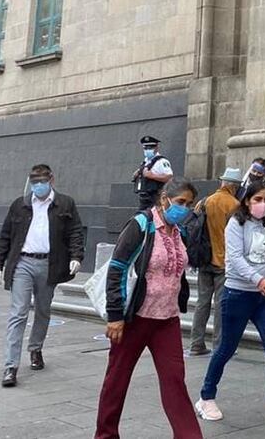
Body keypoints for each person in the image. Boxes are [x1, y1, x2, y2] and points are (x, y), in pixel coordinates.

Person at [95, 178, 202, 439]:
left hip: (167, 319)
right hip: (134, 319)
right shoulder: (141, 225)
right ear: (165, 198)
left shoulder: (179, 231)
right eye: (180, 202)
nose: (184, 208)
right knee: (117, 380)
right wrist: (116, 316)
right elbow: (117, 269)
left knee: (175, 379)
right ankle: (106, 434)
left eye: (189, 204)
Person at [194, 181, 265, 428]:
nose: (263, 205)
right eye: (258, 200)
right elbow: (233, 258)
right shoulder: (236, 223)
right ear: (247, 201)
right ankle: (206, 396)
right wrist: (258, 279)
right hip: (238, 293)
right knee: (226, 347)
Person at [0, 164, 84, 387]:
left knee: (42, 309)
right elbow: (5, 236)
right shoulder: (20, 205)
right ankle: (10, 366)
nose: (38, 186)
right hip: (22, 262)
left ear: (51, 180)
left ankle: (36, 348)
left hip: (49, 264)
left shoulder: (65, 203)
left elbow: (75, 233)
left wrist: (76, 256)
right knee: (18, 312)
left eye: (42, 181)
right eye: (34, 182)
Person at [188, 167, 242, 356]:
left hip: (204, 260)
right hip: (223, 262)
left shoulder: (204, 202)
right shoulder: (234, 205)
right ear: (235, 187)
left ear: (222, 183)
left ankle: (196, 344)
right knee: (220, 305)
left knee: (202, 302)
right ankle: (220, 345)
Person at [132, 135, 173, 210]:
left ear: (156, 147)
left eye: (150, 148)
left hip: (155, 198)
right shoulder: (145, 162)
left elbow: (169, 178)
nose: (147, 150)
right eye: (145, 148)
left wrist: (152, 176)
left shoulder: (162, 161)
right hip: (144, 198)